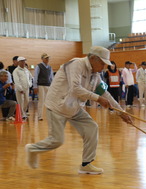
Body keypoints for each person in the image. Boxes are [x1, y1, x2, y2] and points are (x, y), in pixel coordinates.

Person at [25, 46, 132, 174]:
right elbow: (75, 88)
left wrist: (121, 112)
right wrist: (97, 99)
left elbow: (105, 94)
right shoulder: (76, 64)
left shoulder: (96, 75)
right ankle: (32, 149)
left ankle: (86, 164)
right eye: (102, 63)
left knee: (92, 128)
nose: (104, 67)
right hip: (57, 106)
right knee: (57, 140)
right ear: (93, 58)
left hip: (75, 108)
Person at [33, 53, 54, 121]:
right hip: (41, 85)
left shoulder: (50, 67)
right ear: (42, 59)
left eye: (48, 58)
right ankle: (40, 116)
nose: (47, 59)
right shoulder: (38, 66)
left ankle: (50, 115)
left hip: (48, 85)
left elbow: (51, 78)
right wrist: (35, 86)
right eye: (46, 58)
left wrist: (53, 86)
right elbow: (35, 77)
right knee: (41, 101)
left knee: (50, 101)